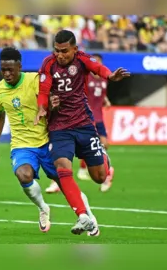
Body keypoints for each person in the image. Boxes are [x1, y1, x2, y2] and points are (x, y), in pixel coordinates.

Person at [0, 47, 100, 236]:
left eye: (10, 69)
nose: (7, 74)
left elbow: (51, 105)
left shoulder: (34, 80)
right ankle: (42, 208)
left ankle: (89, 217)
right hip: (22, 145)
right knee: (23, 175)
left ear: (20, 66)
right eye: (3, 70)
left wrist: (54, 107)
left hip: (47, 141)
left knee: (65, 182)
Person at [35, 30, 130, 233]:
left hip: (84, 124)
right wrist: (43, 107)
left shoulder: (82, 60)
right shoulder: (48, 64)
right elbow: (43, 92)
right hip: (59, 127)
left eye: (65, 51)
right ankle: (82, 215)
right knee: (62, 168)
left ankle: (103, 157)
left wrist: (110, 75)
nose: (60, 55)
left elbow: (98, 67)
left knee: (99, 177)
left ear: (75, 49)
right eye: (57, 51)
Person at [45, 53, 115, 193]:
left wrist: (106, 100)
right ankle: (58, 181)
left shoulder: (103, 80)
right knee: (64, 153)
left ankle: (101, 170)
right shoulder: (85, 77)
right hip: (82, 118)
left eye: (98, 63)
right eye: (94, 62)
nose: (96, 65)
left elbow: (100, 94)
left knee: (104, 145)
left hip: (98, 117)